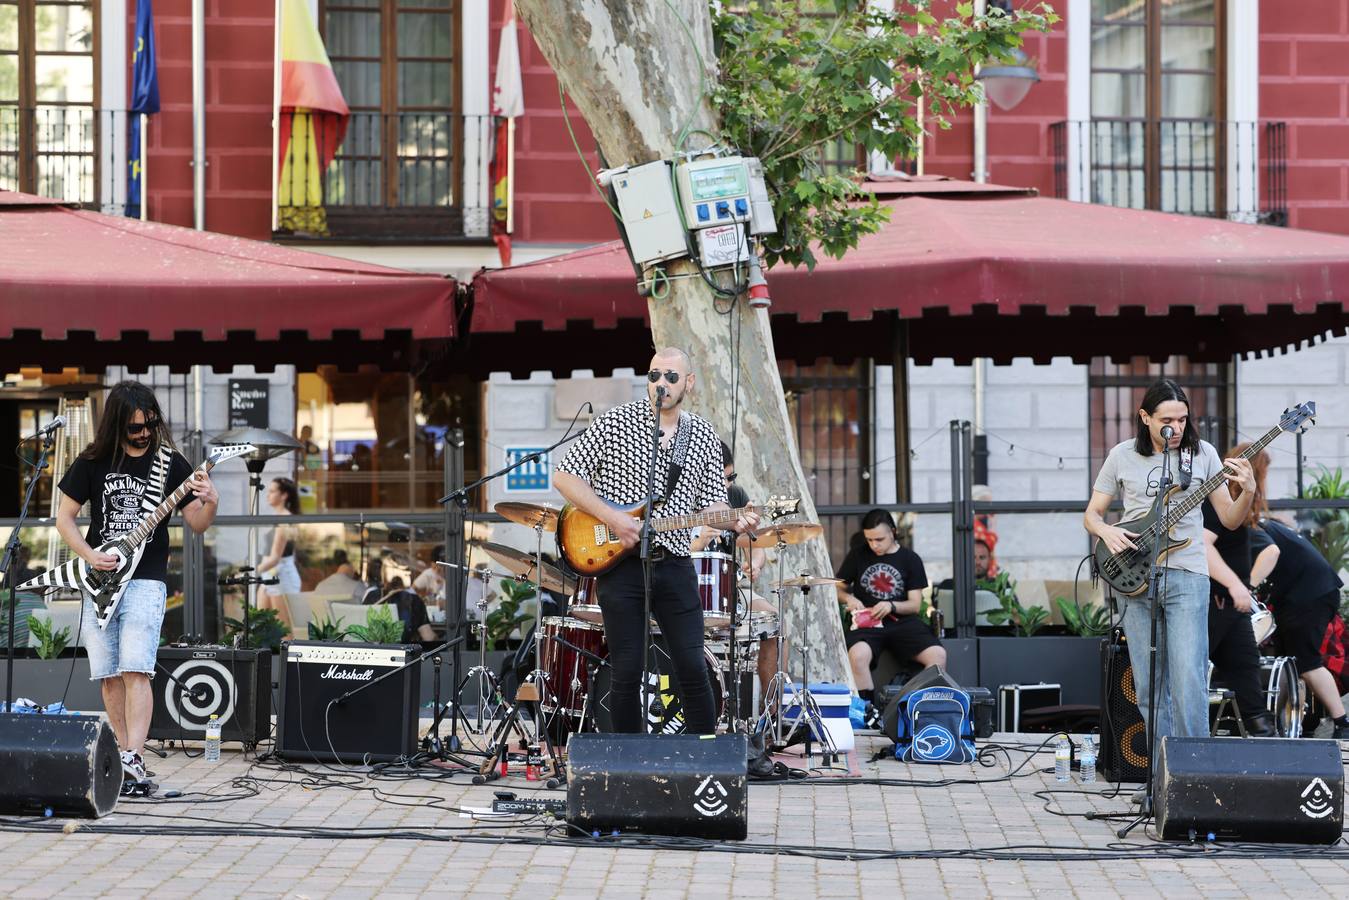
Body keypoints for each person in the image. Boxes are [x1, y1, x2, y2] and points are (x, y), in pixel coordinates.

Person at [555, 347, 758, 735]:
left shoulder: (702, 434)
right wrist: (614, 518)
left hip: (675, 562)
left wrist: (736, 519)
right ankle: (629, 758)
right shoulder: (616, 422)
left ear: (689, 383)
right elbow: (564, 476)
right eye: (654, 376)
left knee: (692, 665)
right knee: (626, 668)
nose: (660, 384)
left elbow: (713, 502)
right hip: (620, 564)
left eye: (670, 377)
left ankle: (704, 755)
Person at [54, 381, 219, 787]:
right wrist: (90, 555)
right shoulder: (93, 461)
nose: (145, 433)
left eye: (151, 424)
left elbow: (197, 524)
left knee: (136, 668)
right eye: (135, 427)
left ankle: (135, 755)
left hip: (146, 578)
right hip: (100, 579)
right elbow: (64, 519)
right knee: (109, 673)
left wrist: (211, 501)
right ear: (117, 424)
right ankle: (123, 755)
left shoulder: (170, 463)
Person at [1084, 379, 1255, 753]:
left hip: (1188, 575)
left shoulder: (1203, 454)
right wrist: (1107, 531)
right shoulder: (1122, 455)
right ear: (1145, 417)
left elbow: (1229, 519)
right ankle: (1163, 771)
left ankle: (1195, 767)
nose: (1176, 428)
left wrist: (1249, 490)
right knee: (1148, 683)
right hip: (1134, 575)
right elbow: (1092, 514)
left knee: (1189, 679)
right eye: (1167, 421)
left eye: (1182, 420)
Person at [690, 440, 778, 705]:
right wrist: (697, 544)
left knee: (773, 621)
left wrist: (756, 563)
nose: (728, 485)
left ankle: (770, 711)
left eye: (732, 477)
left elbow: (753, 543)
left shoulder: (735, 496)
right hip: (682, 590)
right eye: (723, 479)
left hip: (726, 592)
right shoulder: (679, 497)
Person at [1250, 517, 1349, 739]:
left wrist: (1245, 588)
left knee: (1306, 663)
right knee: (1289, 664)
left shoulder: (1249, 528)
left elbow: (1272, 553)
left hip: (1309, 595)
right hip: (1306, 593)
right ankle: (1301, 722)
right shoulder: (1264, 525)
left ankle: (1343, 723)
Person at [837, 508, 945, 707]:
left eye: (879, 539)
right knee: (858, 656)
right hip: (868, 622)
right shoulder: (858, 554)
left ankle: (918, 709)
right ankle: (867, 713)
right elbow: (838, 588)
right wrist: (849, 598)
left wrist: (891, 605)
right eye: (869, 540)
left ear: (893, 532)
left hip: (902, 621)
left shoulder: (910, 559)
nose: (874, 545)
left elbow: (915, 605)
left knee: (937, 656)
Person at [1201, 478, 1276, 736]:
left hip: (1232, 607)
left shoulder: (1236, 509)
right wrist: (1235, 584)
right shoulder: (1216, 504)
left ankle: (1264, 735)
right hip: (1214, 603)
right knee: (1192, 672)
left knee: (1246, 669)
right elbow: (1203, 544)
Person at [256, 477, 301, 629]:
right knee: (262, 627)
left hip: (281, 576)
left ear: (284, 495)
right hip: (270, 574)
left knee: (283, 630)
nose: (268, 495)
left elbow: (275, 557)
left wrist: (251, 572)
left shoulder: (285, 520)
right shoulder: (281, 518)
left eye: (272, 491)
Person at [364, 576, 435, 643]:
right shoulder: (414, 600)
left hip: (372, 649)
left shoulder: (371, 596)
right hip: (403, 649)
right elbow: (429, 637)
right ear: (403, 586)